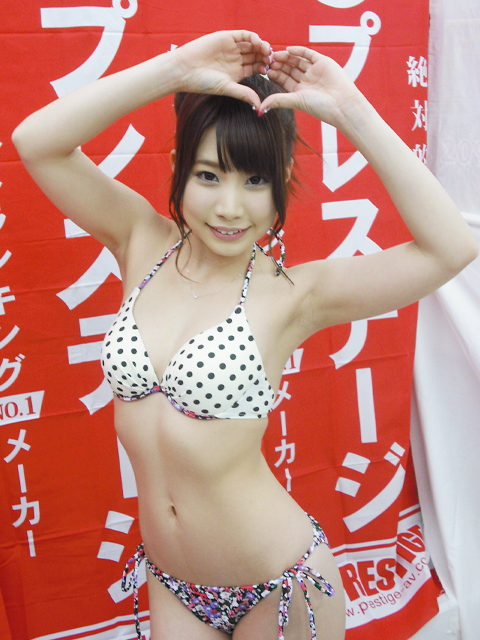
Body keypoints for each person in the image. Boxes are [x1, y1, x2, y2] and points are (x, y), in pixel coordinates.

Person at [12, 29, 477, 640]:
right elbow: (36, 143)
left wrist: (349, 110)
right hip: (173, 583)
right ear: (178, 171)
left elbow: (451, 247)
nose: (230, 207)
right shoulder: (139, 240)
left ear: (281, 182)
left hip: (280, 584)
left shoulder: (295, 295)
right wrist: (175, 69)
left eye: (255, 181)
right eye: (209, 175)